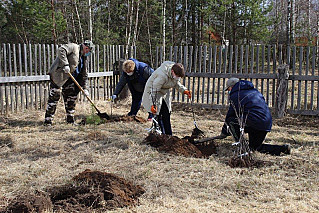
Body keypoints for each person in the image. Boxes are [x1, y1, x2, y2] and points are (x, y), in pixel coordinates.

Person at [215, 77, 291, 156]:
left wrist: (224, 132)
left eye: (229, 89)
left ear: (232, 87)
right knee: (255, 147)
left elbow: (231, 114)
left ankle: (240, 145)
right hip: (265, 122)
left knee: (231, 121)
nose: (229, 91)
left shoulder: (236, 95)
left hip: (253, 122)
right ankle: (283, 149)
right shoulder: (255, 92)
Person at [44, 40, 94, 125]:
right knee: (54, 98)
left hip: (70, 80)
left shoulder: (84, 58)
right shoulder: (74, 47)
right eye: (89, 51)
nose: (88, 53)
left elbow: (84, 74)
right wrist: (65, 64)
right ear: (86, 48)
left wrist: (84, 88)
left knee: (71, 99)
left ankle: (70, 120)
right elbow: (61, 50)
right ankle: (48, 121)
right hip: (59, 77)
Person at [142, 61, 191, 135]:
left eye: (179, 76)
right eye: (177, 75)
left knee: (166, 113)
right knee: (158, 114)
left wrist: (184, 90)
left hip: (164, 92)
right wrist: (152, 104)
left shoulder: (175, 74)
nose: (177, 77)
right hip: (153, 91)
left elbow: (176, 84)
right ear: (172, 71)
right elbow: (154, 91)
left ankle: (169, 136)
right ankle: (161, 135)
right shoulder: (162, 76)